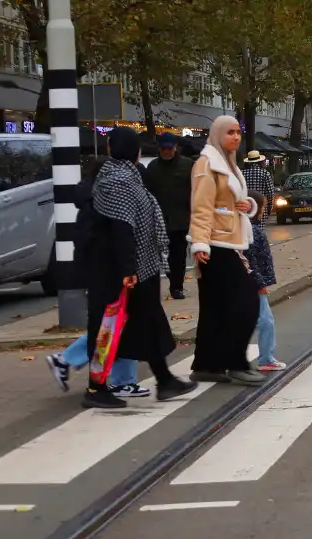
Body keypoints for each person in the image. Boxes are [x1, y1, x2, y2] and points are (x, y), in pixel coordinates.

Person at [83, 127, 198, 409]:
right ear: (135, 152)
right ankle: (96, 388)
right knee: (107, 327)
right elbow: (121, 227)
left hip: (138, 267)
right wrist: (127, 269)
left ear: (111, 149)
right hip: (119, 271)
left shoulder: (126, 177)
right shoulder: (118, 181)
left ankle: (165, 379)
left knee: (150, 321)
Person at [46, 156, 145, 398]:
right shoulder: (104, 203)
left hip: (104, 271)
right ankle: (109, 377)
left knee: (115, 322)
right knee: (115, 323)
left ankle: (113, 376)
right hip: (110, 272)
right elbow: (116, 237)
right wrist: (127, 268)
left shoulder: (92, 201)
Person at [188, 116, 265, 386]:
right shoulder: (207, 164)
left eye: (238, 132)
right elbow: (201, 208)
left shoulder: (229, 164)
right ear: (218, 134)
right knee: (247, 302)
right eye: (229, 133)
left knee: (215, 308)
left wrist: (247, 206)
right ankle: (235, 362)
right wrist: (199, 244)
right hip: (216, 245)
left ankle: (207, 364)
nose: (235, 137)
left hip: (230, 241)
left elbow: (230, 204)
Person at [240, 154, 285, 372]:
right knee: (264, 320)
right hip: (254, 283)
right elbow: (250, 260)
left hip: (250, 281)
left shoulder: (242, 175)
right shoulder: (254, 233)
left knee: (254, 319)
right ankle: (265, 358)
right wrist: (260, 283)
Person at [143, 132, 194, 299]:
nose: (166, 152)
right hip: (158, 219)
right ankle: (166, 281)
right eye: (163, 149)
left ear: (175, 148)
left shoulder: (187, 165)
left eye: (169, 149)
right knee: (160, 255)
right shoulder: (153, 167)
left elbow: (194, 190)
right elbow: (147, 192)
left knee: (178, 255)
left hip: (180, 219)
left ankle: (176, 286)